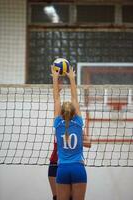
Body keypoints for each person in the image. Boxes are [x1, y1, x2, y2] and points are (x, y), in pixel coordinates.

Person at [51, 66, 91, 200]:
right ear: (75, 113)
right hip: (78, 169)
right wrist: (72, 79)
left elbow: (56, 99)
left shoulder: (58, 124)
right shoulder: (79, 122)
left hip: (62, 169)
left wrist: (55, 79)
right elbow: (75, 98)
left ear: (61, 114)